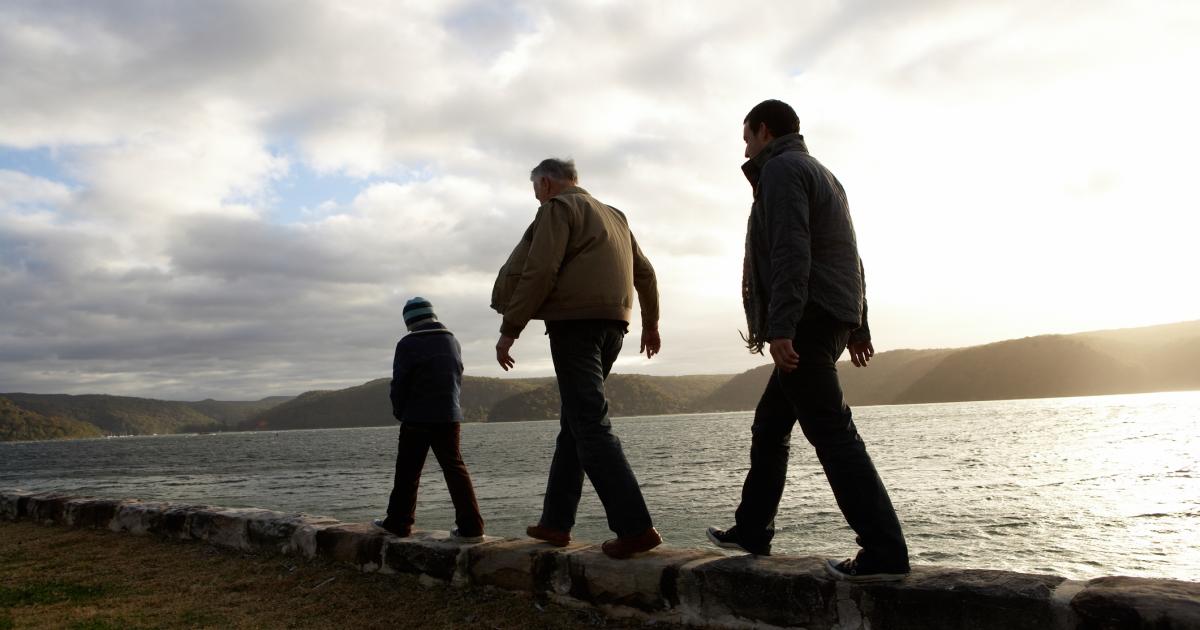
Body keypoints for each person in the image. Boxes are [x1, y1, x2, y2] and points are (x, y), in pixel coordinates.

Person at [705, 100, 911, 582]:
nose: (745, 149)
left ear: (764, 130)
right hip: (830, 313)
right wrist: (858, 325)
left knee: (833, 434)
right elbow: (850, 256)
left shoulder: (782, 171)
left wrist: (781, 326)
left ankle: (884, 550)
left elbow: (791, 249)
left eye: (747, 138)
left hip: (807, 317)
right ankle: (752, 529)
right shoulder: (823, 174)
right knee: (770, 424)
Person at [490, 158, 662, 559]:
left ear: (546, 184)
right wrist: (651, 324)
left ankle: (635, 528)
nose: (537, 198)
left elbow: (541, 270)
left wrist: (510, 328)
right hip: (614, 326)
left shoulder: (557, 208)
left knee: (589, 424)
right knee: (575, 424)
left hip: (575, 326)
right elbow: (646, 274)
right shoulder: (615, 215)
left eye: (535, 191)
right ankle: (555, 523)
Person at [373, 297, 485, 543]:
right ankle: (472, 529)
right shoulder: (452, 341)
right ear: (432, 316)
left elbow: (400, 383)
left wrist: (400, 411)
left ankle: (399, 523)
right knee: (455, 469)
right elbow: (457, 375)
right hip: (449, 415)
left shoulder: (408, 343)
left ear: (409, 321)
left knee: (408, 471)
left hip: (417, 417)